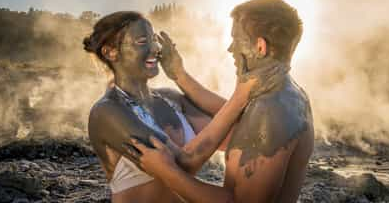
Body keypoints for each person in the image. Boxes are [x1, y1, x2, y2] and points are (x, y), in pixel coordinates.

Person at [84, 11, 286, 203]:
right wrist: (241, 95)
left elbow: (242, 128)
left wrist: (180, 75)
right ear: (111, 52)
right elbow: (183, 164)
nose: (155, 48)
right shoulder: (107, 112)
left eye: (154, 39)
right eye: (142, 42)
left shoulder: (170, 98)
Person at [127, 0, 314, 203]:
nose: (230, 48)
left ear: (260, 47)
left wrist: (167, 172)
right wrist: (179, 74)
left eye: (236, 39)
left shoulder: (271, 110)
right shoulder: (285, 92)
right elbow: (229, 113)